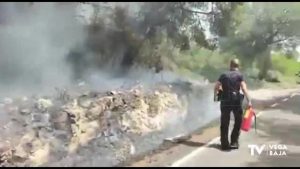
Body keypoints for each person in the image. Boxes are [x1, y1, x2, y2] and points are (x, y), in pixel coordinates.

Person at [214, 58, 252, 150]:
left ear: (230, 65)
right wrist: (249, 100)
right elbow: (243, 88)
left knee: (224, 122)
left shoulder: (223, 75)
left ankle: (224, 144)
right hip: (236, 101)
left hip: (225, 100)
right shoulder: (239, 75)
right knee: (238, 121)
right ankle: (234, 141)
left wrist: (216, 96)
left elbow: (216, 86)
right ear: (238, 66)